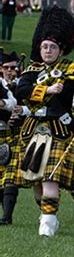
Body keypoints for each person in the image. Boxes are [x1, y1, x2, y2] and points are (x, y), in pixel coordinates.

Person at [15, 6, 74, 236]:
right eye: (44, 46)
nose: (47, 51)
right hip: (33, 129)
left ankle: (48, 223)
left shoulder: (72, 69)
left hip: (58, 130)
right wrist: (47, 89)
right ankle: (46, 213)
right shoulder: (32, 70)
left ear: (61, 49)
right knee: (36, 184)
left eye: (52, 47)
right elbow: (20, 90)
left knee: (50, 179)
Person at [0, 51, 20, 225]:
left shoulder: (22, 84)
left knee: (10, 176)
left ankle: (7, 216)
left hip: (11, 133)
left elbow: (14, 103)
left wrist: (3, 104)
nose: (9, 71)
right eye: (6, 67)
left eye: (13, 67)